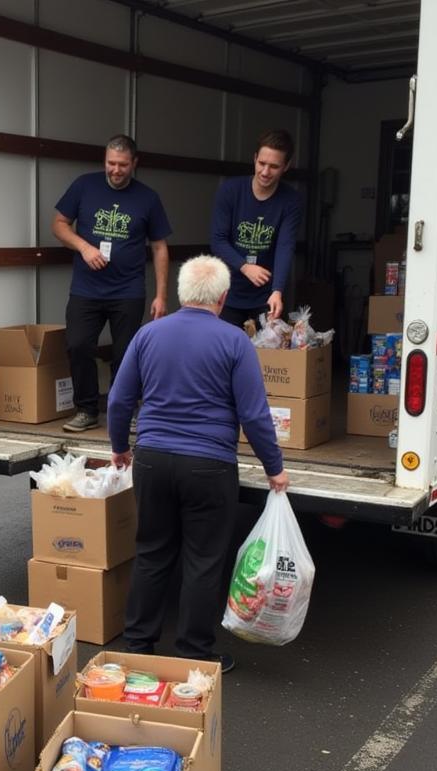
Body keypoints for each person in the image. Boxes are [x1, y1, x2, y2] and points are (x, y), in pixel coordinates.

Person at [107, 255, 289, 672]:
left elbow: (119, 400)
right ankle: (193, 653)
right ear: (223, 298)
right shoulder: (234, 342)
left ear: (179, 294)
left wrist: (120, 446)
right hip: (208, 465)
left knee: (151, 551)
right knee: (203, 559)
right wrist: (273, 466)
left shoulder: (148, 335)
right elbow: (255, 414)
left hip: (151, 460)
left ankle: (137, 646)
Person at [52, 133, 172, 433]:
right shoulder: (84, 185)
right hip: (86, 289)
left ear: (134, 163)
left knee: (126, 354)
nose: (115, 170)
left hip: (128, 290)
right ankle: (87, 409)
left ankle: (127, 412)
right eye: (110, 163)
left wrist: (161, 296)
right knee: (78, 345)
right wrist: (84, 247)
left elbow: (159, 247)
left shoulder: (148, 197)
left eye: (122, 165)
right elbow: (58, 224)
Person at [210, 128, 301, 328]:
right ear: (254, 158)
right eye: (262, 163)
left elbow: (285, 246)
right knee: (224, 355)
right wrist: (245, 266)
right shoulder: (230, 190)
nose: (265, 172)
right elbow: (217, 240)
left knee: (264, 356)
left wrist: (277, 290)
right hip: (227, 292)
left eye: (274, 166)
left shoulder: (290, 200)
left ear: (286, 166)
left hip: (265, 296)